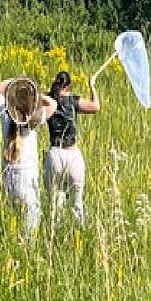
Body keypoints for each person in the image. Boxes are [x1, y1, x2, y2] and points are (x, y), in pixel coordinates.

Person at [0, 76, 56, 240]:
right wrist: (36, 94)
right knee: (31, 218)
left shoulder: (6, 118)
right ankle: (27, 248)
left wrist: (16, 82)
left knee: (14, 216)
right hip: (27, 177)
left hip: (8, 174)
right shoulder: (31, 123)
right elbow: (53, 104)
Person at [44, 71, 99, 227]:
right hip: (72, 154)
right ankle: (78, 233)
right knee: (77, 202)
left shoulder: (48, 100)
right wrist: (92, 85)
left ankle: (55, 234)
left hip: (55, 153)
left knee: (56, 203)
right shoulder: (73, 101)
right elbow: (95, 107)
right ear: (68, 86)